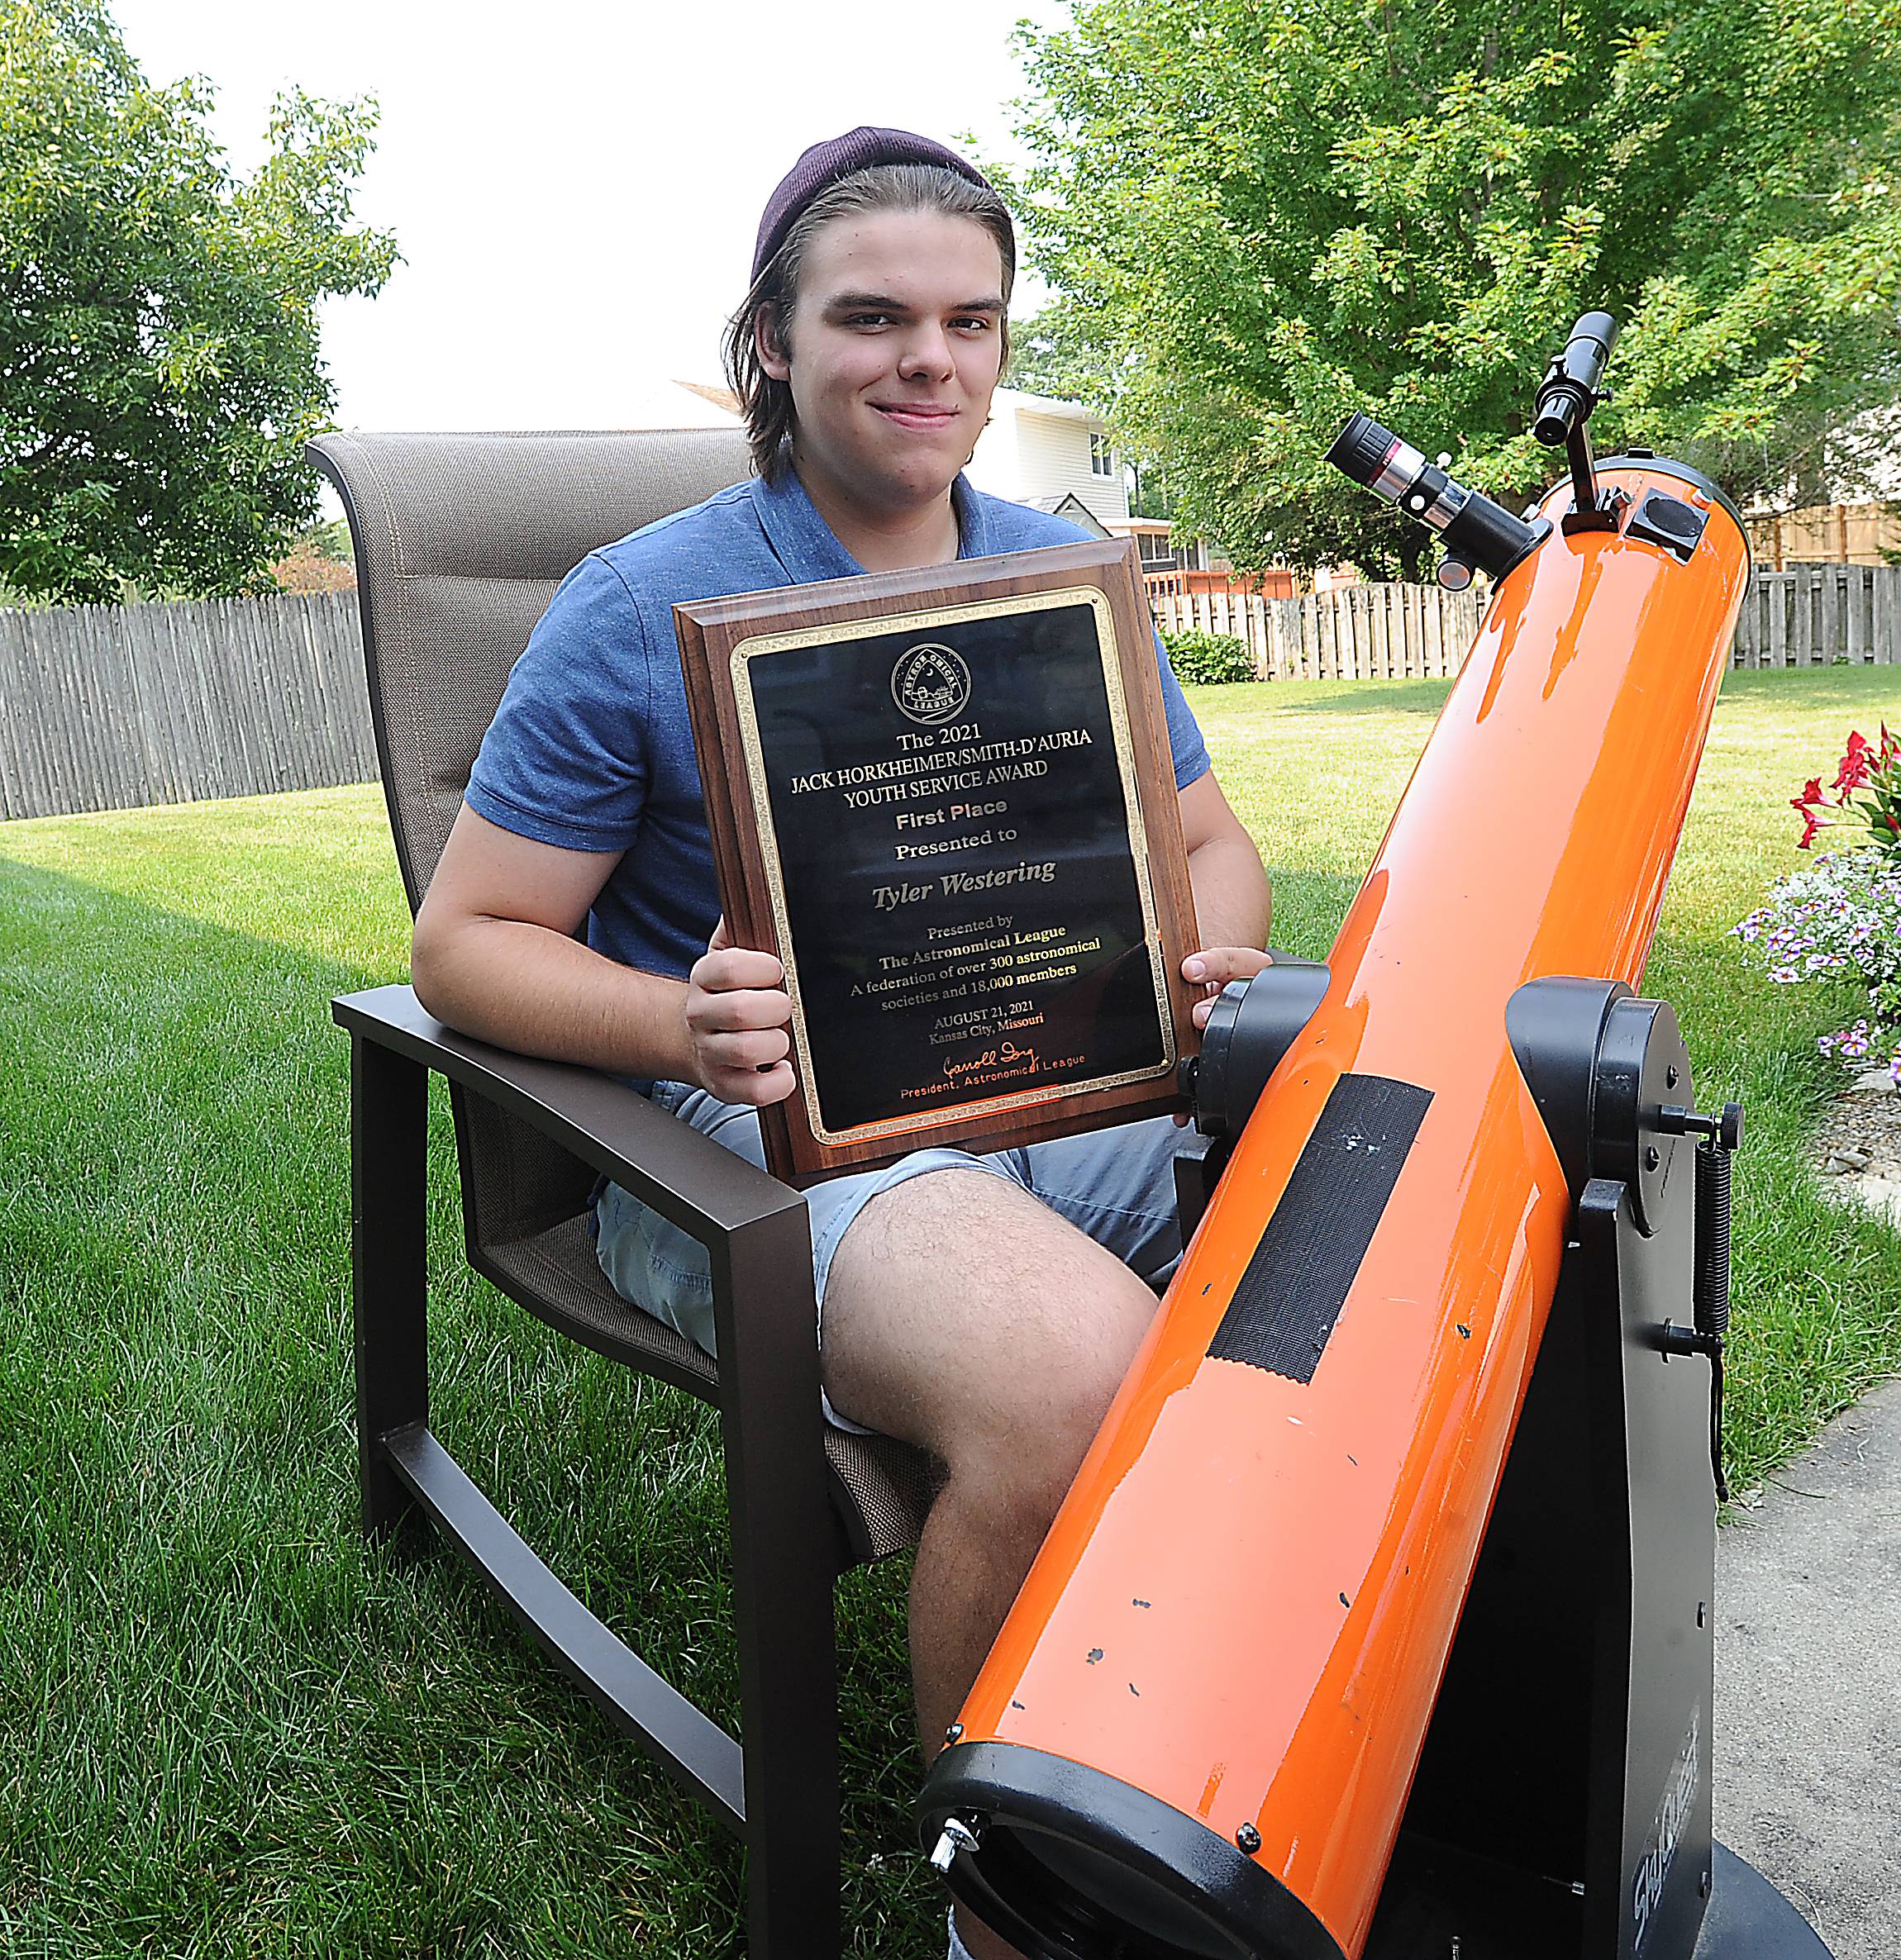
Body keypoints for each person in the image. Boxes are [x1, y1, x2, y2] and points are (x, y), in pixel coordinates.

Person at [408, 126, 1271, 1960]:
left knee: (1405, 1250)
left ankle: (1275, 1735)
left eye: (970, 321)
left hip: (1077, 1076)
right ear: (773, 345)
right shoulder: (641, 606)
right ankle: (1020, 1912)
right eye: (871, 315)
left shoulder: (1061, 569)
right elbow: (464, 943)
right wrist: (679, 1017)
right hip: (761, 1144)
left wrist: (1219, 958)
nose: (928, 360)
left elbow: (1203, 846)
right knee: (1077, 1378)